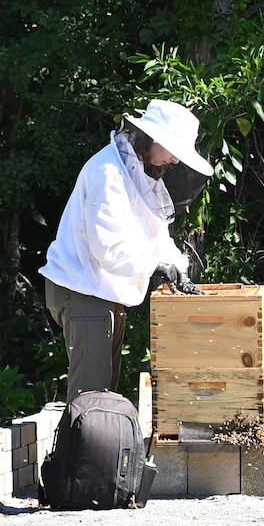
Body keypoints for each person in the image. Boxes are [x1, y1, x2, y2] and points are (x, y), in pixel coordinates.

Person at [40, 98, 214, 401]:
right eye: (173, 150)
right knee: (90, 397)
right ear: (152, 139)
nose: (174, 161)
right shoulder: (108, 173)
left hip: (102, 293)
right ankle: (76, 450)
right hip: (83, 289)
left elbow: (157, 236)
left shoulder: (139, 174)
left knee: (105, 393)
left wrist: (178, 268)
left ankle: (99, 449)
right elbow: (106, 249)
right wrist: (154, 267)